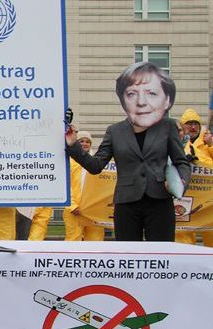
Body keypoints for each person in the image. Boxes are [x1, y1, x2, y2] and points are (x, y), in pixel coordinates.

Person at [66, 62, 191, 241]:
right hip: (126, 204)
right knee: (128, 254)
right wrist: (73, 145)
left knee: (161, 254)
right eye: (132, 93)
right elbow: (95, 166)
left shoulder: (168, 126)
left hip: (160, 201)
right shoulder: (115, 131)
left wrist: (181, 181)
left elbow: (181, 162)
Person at [175, 109, 213, 245]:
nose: (193, 127)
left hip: (208, 199)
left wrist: (211, 144)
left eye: (196, 124)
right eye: (189, 123)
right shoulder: (177, 143)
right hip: (185, 197)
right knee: (182, 232)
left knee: (210, 230)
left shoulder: (207, 143)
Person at [64, 131, 106, 241]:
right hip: (75, 211)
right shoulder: (68, 162)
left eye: (88, 142)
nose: (85, 144)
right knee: (73, 241)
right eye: (81, 141)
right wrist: (73, 206)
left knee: (96, 241)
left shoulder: (98, 163)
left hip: (94, 210)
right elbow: (65, 185)